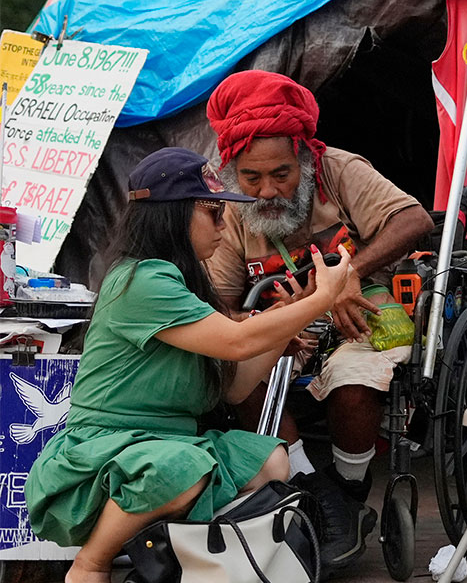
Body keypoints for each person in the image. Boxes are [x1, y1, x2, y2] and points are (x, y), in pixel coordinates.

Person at [24, 148, 353, 583]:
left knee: (271, 462)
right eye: (213, 212)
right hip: (109, 448)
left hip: (166, 447)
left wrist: (275, 341)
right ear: (173, 216)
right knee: (181, 471)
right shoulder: (141, 281)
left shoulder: (183, 283)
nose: (223, 225)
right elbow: (236, 342)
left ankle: (182, 564)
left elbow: (233, 389)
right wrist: (320, 300)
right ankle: (91, 564)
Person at [203, 70, 433, 568]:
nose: (267, 190)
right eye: (252, 178)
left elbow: (414, 220)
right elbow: (219, 300)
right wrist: (265, 322)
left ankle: (349, 491)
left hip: (360, 313)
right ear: (231, 172)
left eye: (282, 174)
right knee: (241, 370)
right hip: (287, 323)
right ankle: (312, 489)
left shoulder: (339, 170)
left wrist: (350, 273)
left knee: (354, 383)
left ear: (305, 160)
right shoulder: (228, 208)